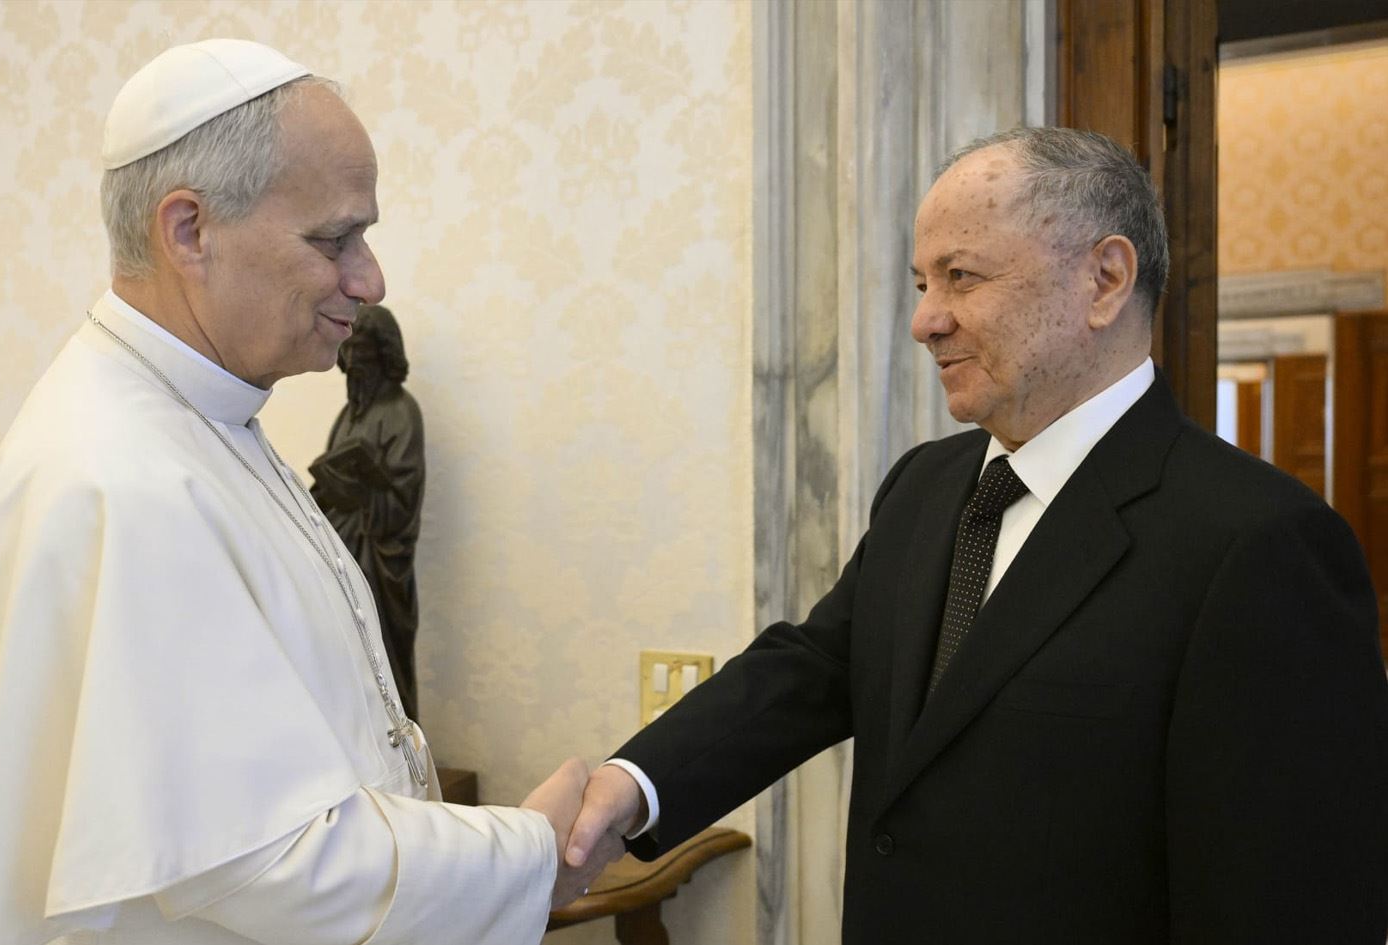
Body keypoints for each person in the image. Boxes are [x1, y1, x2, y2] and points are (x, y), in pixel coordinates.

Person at [568, 127, 1388, 942]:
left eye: (960, 276)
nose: (925, 320)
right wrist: (634, 784)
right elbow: (819, 665)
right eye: (922, 283)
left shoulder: (1260, 543)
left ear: (1104, 280)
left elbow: (1288, 900)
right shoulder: (925, 484)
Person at [0, 38, 614, 945]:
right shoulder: (121, 478)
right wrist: (529, 851)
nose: (370, 280)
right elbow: (276, 860)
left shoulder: (196, 420)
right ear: (188, 231)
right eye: (334, 239)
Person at [311, 304, 426, 721]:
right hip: (343, 555)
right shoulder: (348, 415)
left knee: (385, 655)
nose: (353, 360)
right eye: (349, 350)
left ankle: (403, 746)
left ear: (383, 352)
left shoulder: (401, 412)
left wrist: (363, 489)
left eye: (362, 350)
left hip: (380, 564)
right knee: (347, 661)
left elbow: (402, 501)